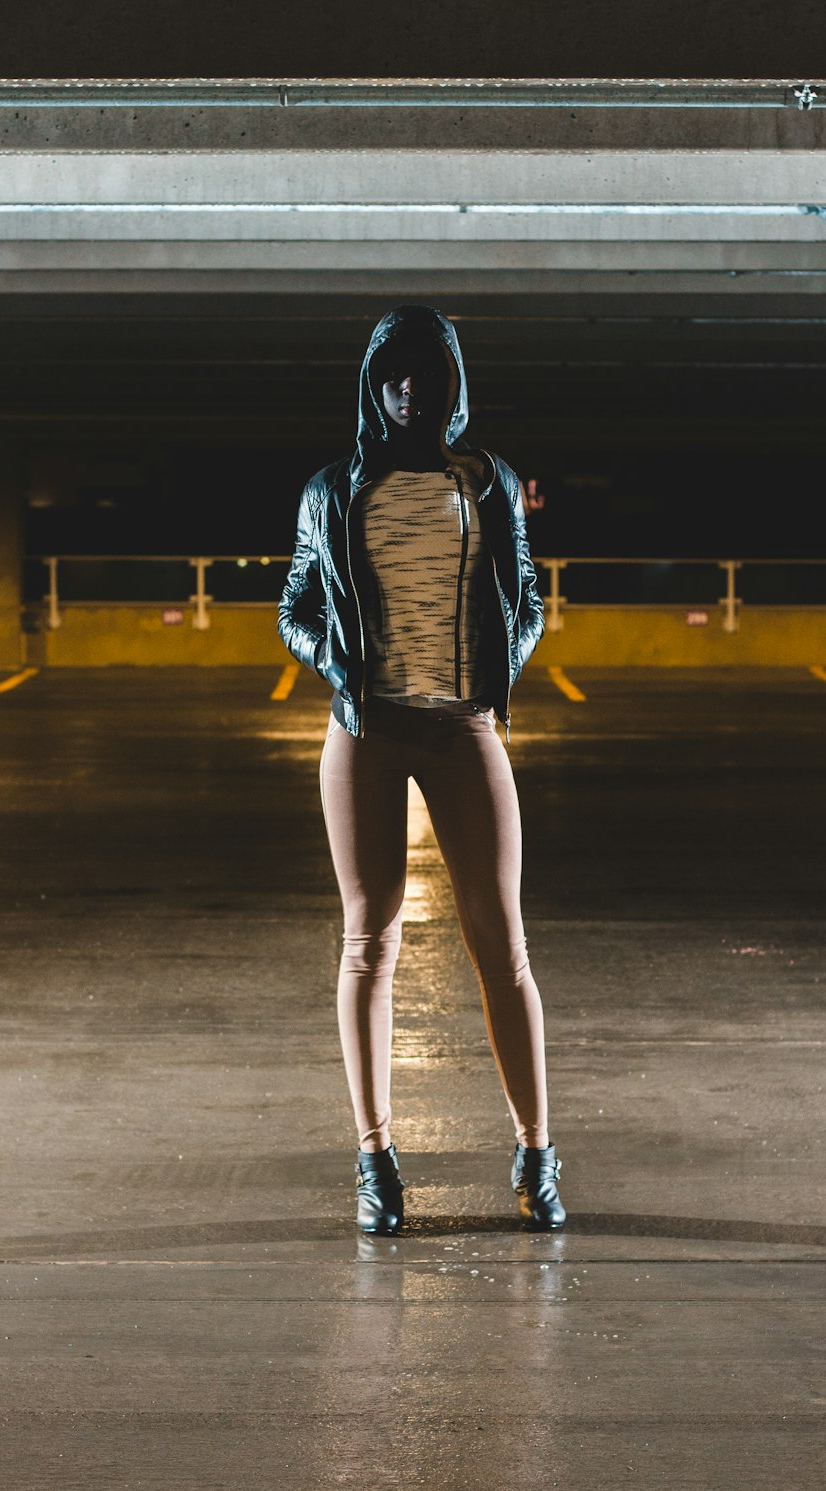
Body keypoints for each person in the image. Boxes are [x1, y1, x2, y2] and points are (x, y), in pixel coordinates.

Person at [278, 304, 566, 1236]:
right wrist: (340, 664)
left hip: (463, 726)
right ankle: (375, 1160)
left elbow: (525, 601)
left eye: (430, 373)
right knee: (370, 940)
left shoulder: (488, 485)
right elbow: (292, 606)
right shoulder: (332, 490)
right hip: (367, 730)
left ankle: (535, 1153)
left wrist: (495, 674)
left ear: (453, 383)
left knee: (504, 946)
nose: (413, 389)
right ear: (375, 384)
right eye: (396, 374)